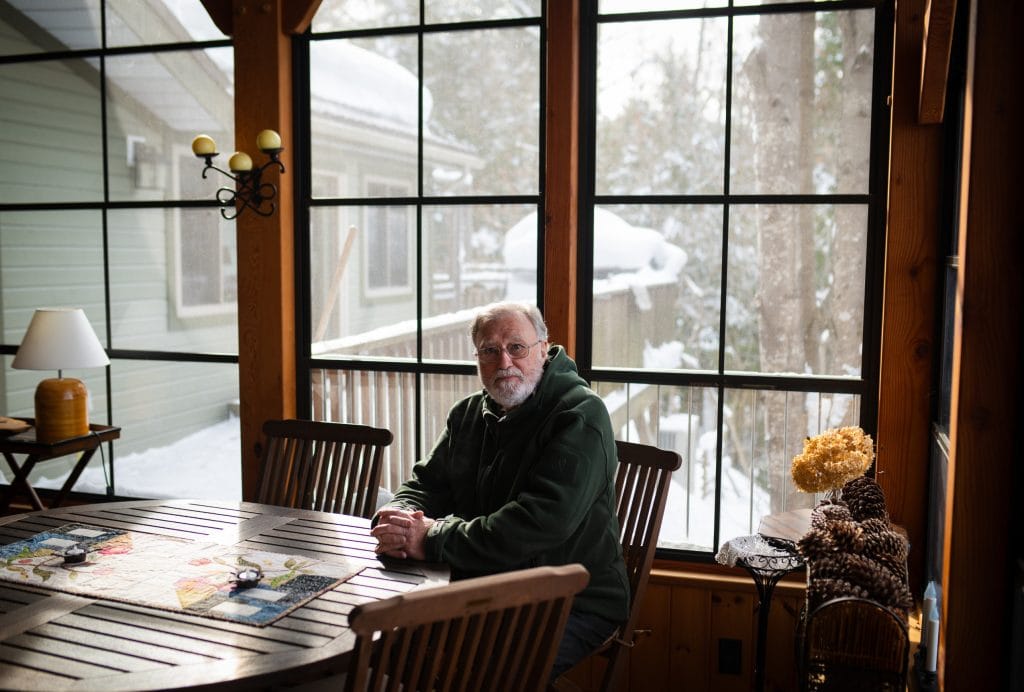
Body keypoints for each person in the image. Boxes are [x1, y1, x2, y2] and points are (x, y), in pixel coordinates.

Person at [370, 301, 629, 680]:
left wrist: (433, 539)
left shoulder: (579, 415)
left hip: (570, 600)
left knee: (484, 673)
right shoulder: (468, 414)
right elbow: (425, 483)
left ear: (543, 348)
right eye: (490, 351)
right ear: (478, 358)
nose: (504, 362)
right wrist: (398, 518)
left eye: (517, 348)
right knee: (386, 646)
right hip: (482, 586)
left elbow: (538, 524)